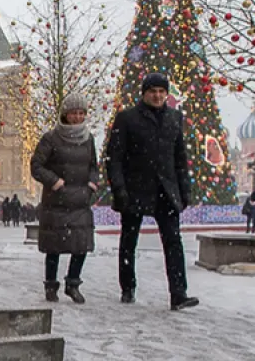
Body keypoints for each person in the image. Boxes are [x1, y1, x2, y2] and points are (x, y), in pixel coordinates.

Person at [106, 72, 200, 310]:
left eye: (161, 91)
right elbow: (114, 158)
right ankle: (128, 287)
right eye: (152, 91)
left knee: (173, 242)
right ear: (144, 94)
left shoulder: (174, 118)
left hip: (166, 191)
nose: (157, 96)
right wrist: (119, 189)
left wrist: (184, 190)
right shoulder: (127, 119)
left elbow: (180, 159)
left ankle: (178, 293)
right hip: (135, 189)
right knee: (129, 241)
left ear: (166, 94)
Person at [31, 92, 100, 304]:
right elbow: (36, 166)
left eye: (81, 113)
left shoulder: (88, 140)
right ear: (65, 114)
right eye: (73, 113)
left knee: (81, 245)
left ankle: (73, 283)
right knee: (54, 247)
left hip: (80, 200)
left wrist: (92, 184)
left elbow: (93, 167)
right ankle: (50, 286)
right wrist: (54, 181)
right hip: (57, 201)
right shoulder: (51, 138)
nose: (77, 117)